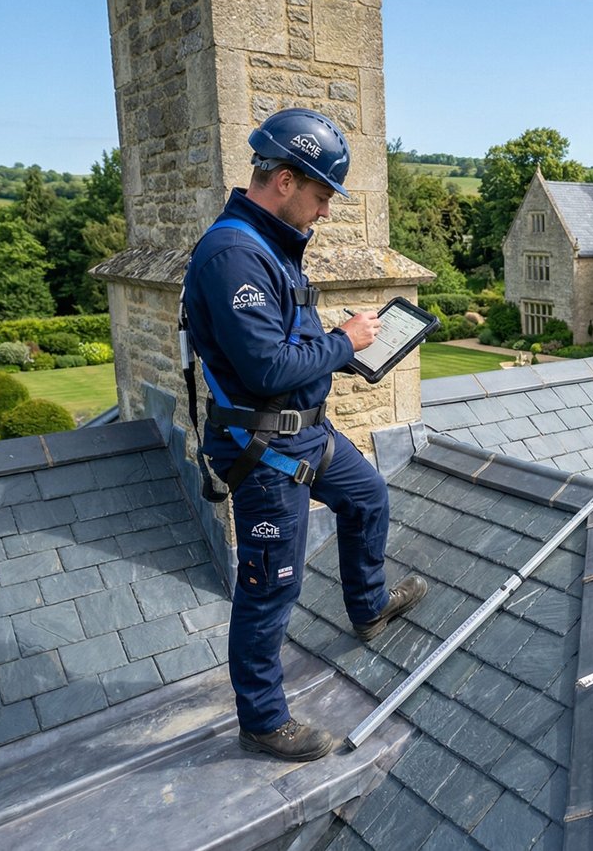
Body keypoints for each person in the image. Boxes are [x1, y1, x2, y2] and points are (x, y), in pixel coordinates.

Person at [181, 108, 426, 762]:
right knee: (271, 584)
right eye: (321, 196)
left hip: (306, 436)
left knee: (368, 496)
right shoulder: (233, 255)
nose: (324, 211)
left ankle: (369, 605)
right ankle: (261, 718)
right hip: (263, 453)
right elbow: (263, 368)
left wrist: (343, 345)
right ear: (285, 180)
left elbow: (288, 342)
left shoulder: (272, 248)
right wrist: (345, 339)